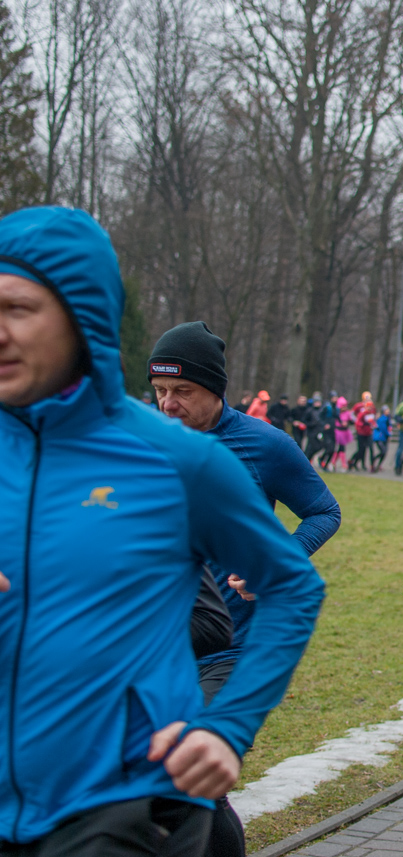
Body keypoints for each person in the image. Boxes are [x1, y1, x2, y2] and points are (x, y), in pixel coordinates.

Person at [0, 206, 325, 856]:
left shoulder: (177, 458)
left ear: (80, 313)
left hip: (123, 805)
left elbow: (292, 588)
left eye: (18, 308)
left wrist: (228, 725)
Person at [148, 321, 342, 857]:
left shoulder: (264, 445)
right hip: (155, 651)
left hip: (233, 649)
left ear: (216, 387)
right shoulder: (145, 442)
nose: (168, 404)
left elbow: (325, 511)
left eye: (182, 391)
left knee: (188, 776)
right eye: (160, 391)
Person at [351, 392, 376, 471]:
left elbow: (373, 419)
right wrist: (360, 424)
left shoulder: (372, 409)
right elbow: (354, 417)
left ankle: (371, 465)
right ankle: (354, 462)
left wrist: (374, 425)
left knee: (371, 448)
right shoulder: (359, 408)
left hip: (369, 432)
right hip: (361, 432)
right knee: (361, 449)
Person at [372, 404, 392, 472]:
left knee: (384, 452)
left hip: (384, 437)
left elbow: (389, 427)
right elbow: (383, 429)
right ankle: (374, 459)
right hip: (380, 437)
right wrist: (388, 435)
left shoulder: (388, 419)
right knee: (383, 451)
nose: (388, 411)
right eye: (386, 410)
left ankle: (378, 465)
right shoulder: (382, 419)